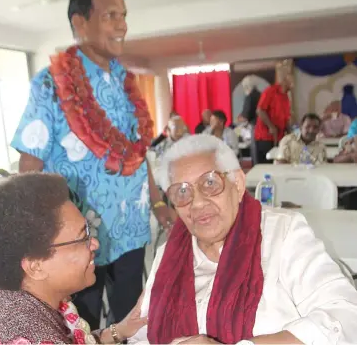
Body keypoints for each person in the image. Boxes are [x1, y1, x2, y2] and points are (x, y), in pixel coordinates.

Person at [10, 0, 172, 330]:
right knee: (79, 326)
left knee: (130, 321)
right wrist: (33, 232)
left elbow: (138, 151)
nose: (123, 25)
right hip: (77, 237)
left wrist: (158, 203)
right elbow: (30, 162)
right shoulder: (50, 83)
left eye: (124, 15)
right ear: (79, 23)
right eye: (111, 15)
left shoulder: (125, 83)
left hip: (131, 230)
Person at [130, 134, 357, 345]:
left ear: (237, 185)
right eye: (182, 192)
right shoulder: (169, 254)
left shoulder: (282, 233)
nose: (197, 203)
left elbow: (346, 316)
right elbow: (141, 336)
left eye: (210, 183)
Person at [0, 173, 146, 345]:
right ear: (35, 266)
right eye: (82, 236)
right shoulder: (30, 333)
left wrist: (119, 330)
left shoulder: (7, 291)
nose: (95, 244)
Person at [254, 62, 293, 164]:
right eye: (291, 80)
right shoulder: (270, 91)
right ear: (285, 81)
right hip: (265, 136)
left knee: (278, 164)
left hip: (279, 137)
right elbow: (260, 110)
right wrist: (271, 126)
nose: (293, 84)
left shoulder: (286, 97)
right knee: (265, 166)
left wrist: (291, 134)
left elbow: (286, 118)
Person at [239, 75, 261, 164]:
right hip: (262, 128)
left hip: (255, 127)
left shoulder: (250, 97)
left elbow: (246, 115)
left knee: (255, 153)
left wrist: (240, 118)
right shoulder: (260, 94)